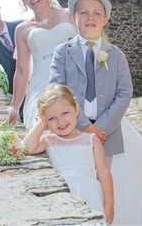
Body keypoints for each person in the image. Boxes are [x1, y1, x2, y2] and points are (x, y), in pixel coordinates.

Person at [49, 0, 142, 225]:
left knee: (114, 182)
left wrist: (102, 127)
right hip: (75, 131)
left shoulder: (115, 55)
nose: (90, 17)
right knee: (83, 181)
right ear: (74, 18)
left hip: (111, 131)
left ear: (105, 19)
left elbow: (125, 93)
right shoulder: (62, 53)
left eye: (96, 12)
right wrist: (84, 125)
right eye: (83, 12)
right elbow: (57, 89)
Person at [23, 84, 114, 223]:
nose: (60, 122)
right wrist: (41, 123)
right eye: (52, 118)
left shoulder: (91, 140)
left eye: (65, 113)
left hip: (89, 195)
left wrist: (109, 206)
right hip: (61, 196)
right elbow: (28, 147)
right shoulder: (49, 140)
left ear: (76, 110)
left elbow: (104, 174)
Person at [7, 0, 77, 129]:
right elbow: (21, 71)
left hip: (74, 79)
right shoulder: (22, 30)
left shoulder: (71, 14)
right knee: (44, 127)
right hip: (41, 85)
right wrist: (14, 107)